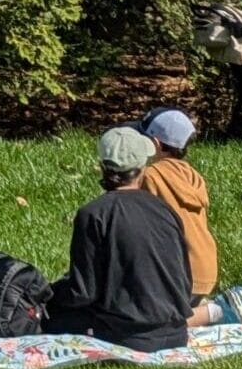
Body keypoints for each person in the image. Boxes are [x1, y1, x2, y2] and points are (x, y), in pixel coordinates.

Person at [45, 127, 193, 352]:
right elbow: (183, 279)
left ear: (103, 167)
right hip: (177, 333)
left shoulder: (93, 214)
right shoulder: (165, 210)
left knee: (47, 316)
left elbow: (82, 292)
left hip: (127, 336)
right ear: (142, 169)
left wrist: (48, 295)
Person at [139, 109, 222, 327]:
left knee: (145, 320)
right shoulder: (194, 176)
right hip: (206, 269)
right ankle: (200, 306)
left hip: (179, 273)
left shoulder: (151, 176)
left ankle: (207, 314)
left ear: (155, 144)